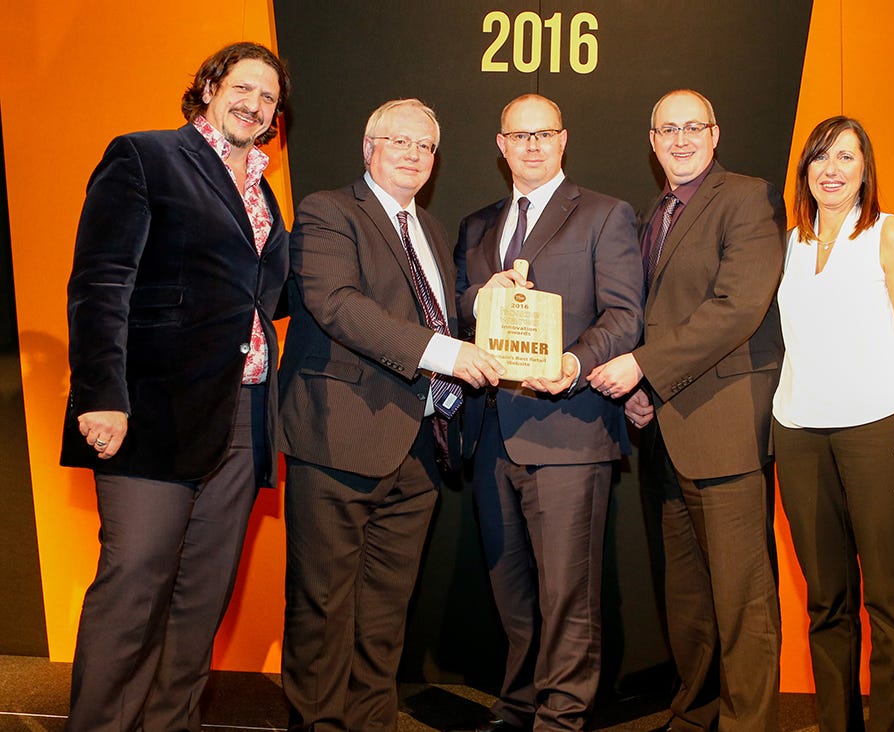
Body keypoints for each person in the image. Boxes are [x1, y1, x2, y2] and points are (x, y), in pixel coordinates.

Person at [59, 42, 291, 731]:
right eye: (243, 87)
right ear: (210, 87)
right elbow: (101, 281)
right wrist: (102, 394)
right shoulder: (144, 156)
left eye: (269, 97)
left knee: (200, 602)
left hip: (241, 415)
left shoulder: (261, 188)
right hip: (152, 410)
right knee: (134, 589)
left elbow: (264, 291)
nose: (254, 104)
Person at [277, 98, 504, 731]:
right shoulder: (329, 212)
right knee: (322, 610)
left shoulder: (430, 230)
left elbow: (430, 317)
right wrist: (447, 350)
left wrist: (484, 305)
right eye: (399, 141)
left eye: (425, 147)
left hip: (421, 447)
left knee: (383, 616)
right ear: (369, 147)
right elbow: (339, 305)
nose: (412, 154)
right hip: (339, 436)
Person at [588, 89, 785, 730]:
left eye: (692, 127)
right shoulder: (658, 213)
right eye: (666, 129)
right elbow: (657, 318)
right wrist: (648, 391)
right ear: (651, 140)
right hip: (667, 432)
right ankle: (697, 710)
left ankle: (747, 723)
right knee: (688, 595)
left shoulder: (746, 197)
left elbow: (736, 308)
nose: (680, 139)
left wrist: (644, 369)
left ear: (715, 132)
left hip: (726, 429)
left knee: (743, 598)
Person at [454, 93, 644, 732]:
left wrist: (575, 360)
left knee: (568, 595)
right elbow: (458, 312)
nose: (532, 146)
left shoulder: (604, 214)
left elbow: (625, 315)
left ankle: (561, 719)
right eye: (519, 135)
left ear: (563, 141)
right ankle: (516, 709)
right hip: (489, 436)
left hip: (570, 431)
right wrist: (482, 296)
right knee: (511, 594)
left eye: (544, 134)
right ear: (500, 145)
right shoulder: (477, 226)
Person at [771, 116, 894, 731]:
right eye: (820, 157)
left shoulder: (889, 235)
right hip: (798, 438)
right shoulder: (790, 241)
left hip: (881, 435)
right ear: (805, 171)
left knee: (892, 607)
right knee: (826, 605)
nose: (832, 169)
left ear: (865, 169)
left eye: (846, 158)